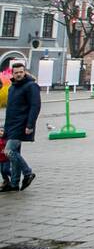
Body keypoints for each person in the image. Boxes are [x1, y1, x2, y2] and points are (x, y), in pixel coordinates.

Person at [0, 61, 41, 192]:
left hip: (21, 125)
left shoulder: (31, 86)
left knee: (8, 151)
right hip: (10, 125)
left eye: (21, 72)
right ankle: (14, 183)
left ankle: (28, 173)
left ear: (25, 72)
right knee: (15, 153)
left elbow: (35, 106)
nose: (18, 74)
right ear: (12, 73)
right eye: (16, 72)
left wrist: (30, 124)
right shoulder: (12, 87)